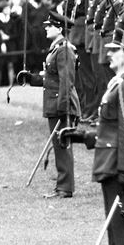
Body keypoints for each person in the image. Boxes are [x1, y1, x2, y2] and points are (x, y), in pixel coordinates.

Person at [61, 27, 124, 245]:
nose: (108, 55)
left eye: (114, 51)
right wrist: (83, 136)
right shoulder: (118, 84)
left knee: (123, 226)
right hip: (110, 163)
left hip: (120, 166)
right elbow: (111, 128)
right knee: (115, 228)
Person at [17, 11, 80, 198]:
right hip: (54, 103)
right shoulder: (57, 48)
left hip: (61, 104)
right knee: (59, 144)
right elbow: (51, 78)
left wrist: (63, 107)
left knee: (62, 145)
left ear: (59, 29)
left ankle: (65, 187)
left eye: (49, 26)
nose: (46, 28)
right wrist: (31, 78)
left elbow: (66, 81)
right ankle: (63, 185)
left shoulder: (64, 49)